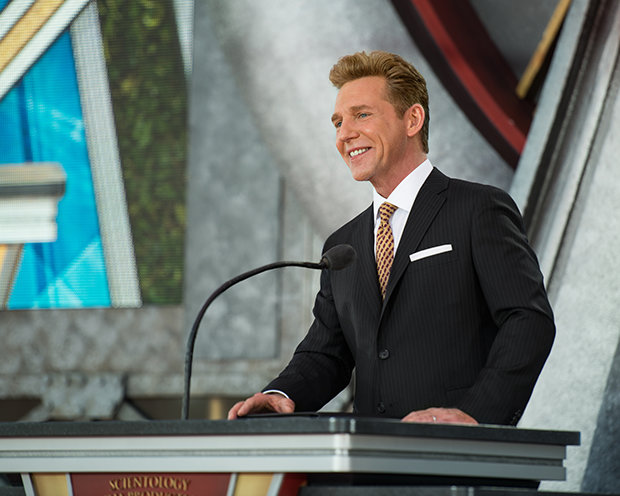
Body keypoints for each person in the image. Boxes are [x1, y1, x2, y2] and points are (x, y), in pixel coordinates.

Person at [228, 50, 555, 425]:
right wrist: (281, 394)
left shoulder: (478, 209)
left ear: (412, 119)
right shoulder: (342, 246)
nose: (344, 134)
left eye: (361, 115)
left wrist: (475, 415)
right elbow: (327, 353)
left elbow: (528, 319)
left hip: (460, 451)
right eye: (338, 122)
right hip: (372, 454)